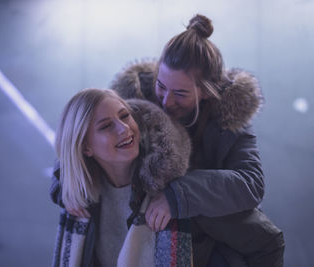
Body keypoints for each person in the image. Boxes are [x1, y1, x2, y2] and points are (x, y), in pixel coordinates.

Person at [110, 14, 285, 267]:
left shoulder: (230, 121)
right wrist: (68, 184)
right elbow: (89, 138)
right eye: (161, 86)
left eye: (180, 93)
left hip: (208, 245)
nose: (166, 101)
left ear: (206, 90)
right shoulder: (128, 103)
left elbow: (251, 183)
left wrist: (178, 196)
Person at [51, 88, 193, 267]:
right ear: (86, 148)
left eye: (125, 116)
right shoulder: (79, 201)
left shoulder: (172, 191)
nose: (124, 128)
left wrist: (178, 198)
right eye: (106, 126)